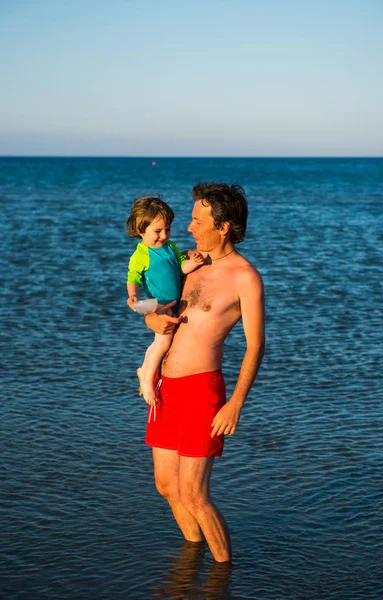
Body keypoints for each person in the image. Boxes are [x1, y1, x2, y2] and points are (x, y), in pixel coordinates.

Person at [127, 182, 265, 562]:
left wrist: (235, 403)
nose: (188, 228)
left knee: (194, 493)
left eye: (196, 220)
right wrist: (151, 319)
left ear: (222, 227)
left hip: (202, 390)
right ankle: (192, 559)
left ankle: (223, 574)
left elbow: (256, 346)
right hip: (165, 386)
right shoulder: (187, 263)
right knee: (166, 486)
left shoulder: (244, 277)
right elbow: (160, 310)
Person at [126, 195, 204, 405]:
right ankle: (148, 383)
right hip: (158, 303)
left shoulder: (171, 247)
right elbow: (133, 276)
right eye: (157, 231)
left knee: (158, 343)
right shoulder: (142, 253)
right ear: (141, 230)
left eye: (167, 229)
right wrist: (133, 294)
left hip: (171, 302)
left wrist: (193, 264)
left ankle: (144, 370)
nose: (163, 236)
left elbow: (180, 267)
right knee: (163, 342)